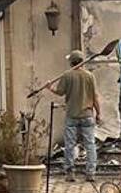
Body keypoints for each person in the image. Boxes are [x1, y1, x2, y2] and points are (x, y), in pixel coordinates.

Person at [34, 48, 101, 181]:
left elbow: (60, 92)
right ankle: (90, 173)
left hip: (72, 115)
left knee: (70, 145)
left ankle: (70, 173)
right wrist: (99, 113)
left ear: (71, 62)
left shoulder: (67, 75)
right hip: (87, 115)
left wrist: (49, 87)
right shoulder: (89, 76)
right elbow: (95, 97)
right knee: (90, 145)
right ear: (82, 62)